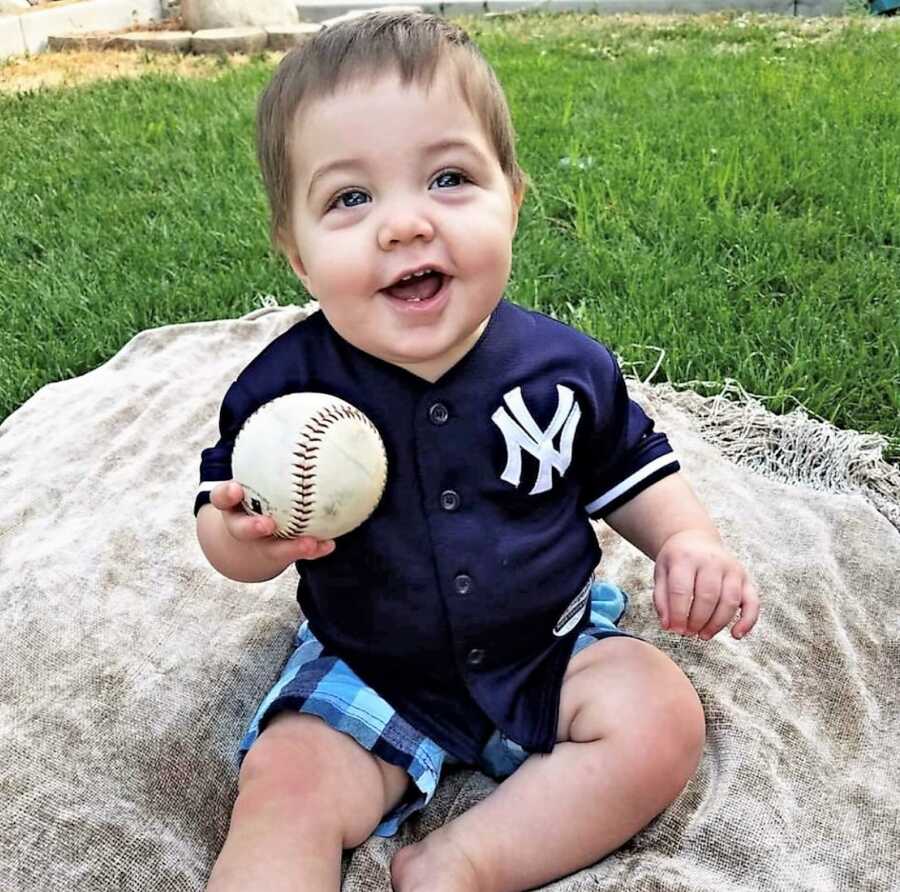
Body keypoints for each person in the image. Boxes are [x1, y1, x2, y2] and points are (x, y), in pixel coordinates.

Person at [194, 11, 760, 891]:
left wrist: (690, 543)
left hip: (549, 646)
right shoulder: (284, 393)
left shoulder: (563, 369)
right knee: (285, 782)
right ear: (298, 257)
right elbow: (222, 521)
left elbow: (635, 467)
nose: (404, 225)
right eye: (350, 198)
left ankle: (468, 860)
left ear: (513, 199)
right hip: (370, 666)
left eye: (449, 177)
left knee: (659, 717)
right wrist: (243, 540)